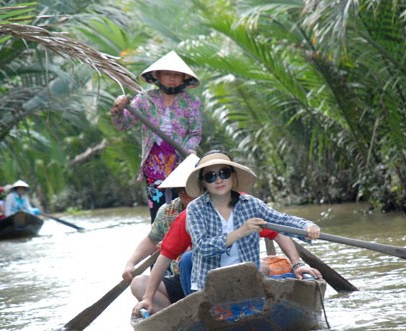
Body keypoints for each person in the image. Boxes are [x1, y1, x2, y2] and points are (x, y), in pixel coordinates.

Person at [185, 151, 321, 292]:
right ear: (203, 182)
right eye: (210, 176)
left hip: (248, 282)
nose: (219, 180)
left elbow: (282, 220)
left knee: (304, 282)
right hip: (211, 288)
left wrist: (307, 226)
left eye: (224, 173)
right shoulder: (196, 208)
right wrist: (240, 232)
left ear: (232, 176)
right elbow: (203, 247)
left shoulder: (250, 203)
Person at [110, 51, 202, 222]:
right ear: (157, 76)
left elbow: (195, 132)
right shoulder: (145, 99)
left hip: (180, 161)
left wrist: (190, 150)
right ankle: (161, 244)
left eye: (176, 75)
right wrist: (118, 109)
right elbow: (123, 124)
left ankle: (186, 243)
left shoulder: (191, 102)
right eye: (167, 74)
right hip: (154, 163)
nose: (172, 78)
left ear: (184, 78)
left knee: (185, 208)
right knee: (159, 211)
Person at [121, 154, 200, 284]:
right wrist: (131, 263)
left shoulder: (215, 207)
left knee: (188, 258)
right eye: (180, 187)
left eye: (188, 187)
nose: (183, 191)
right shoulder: (168, 211)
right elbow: (152, 239)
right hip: (180, 278)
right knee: (139, 283)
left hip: (208, 273)